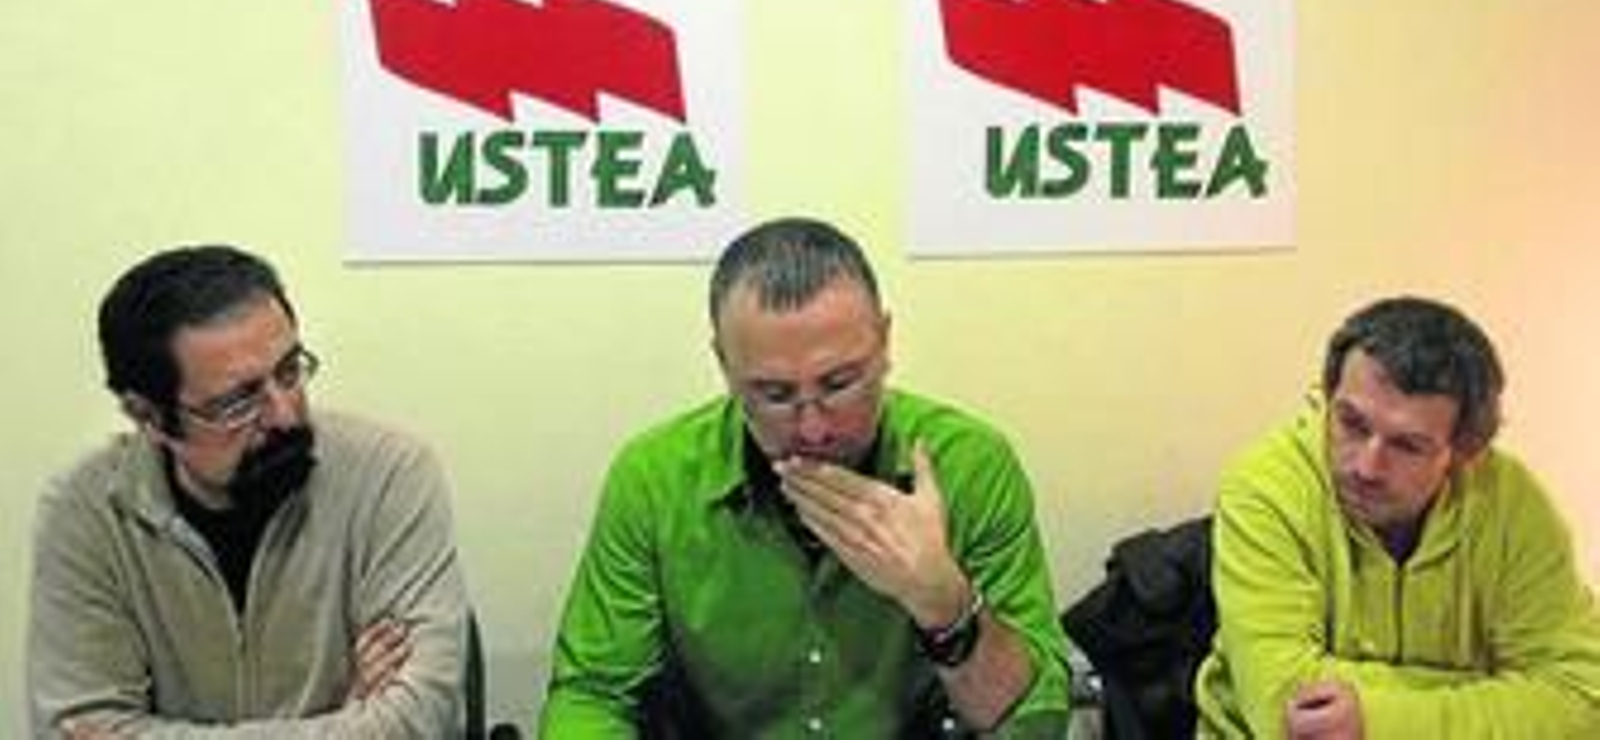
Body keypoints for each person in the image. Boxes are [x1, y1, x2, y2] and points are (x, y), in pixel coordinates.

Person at [540, 216, 1072, 737]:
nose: (814, 428)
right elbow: (594, 693)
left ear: (884, 343)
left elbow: (1036, 719)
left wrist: (944, 604)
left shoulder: (968, 466)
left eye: (840, 383)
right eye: (774, 395)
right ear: (724, 365)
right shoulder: (655, 479)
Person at [28, 245, 469, 737]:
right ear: (148, 416)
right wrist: (349, 721)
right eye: (238, 402)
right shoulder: (87, 511)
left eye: (289, 372)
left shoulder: (389, 476)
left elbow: (419, 720)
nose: (284, 414)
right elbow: (74, 725)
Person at [1195, 295, 1600, 738]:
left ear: (1464, 455)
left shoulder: (1514, 505)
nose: (1366, 467)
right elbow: (1287, 713)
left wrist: (1375, 720)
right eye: (1351, 423)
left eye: (1407, 445)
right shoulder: (1265, 488)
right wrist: (1500, 693)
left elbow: (1581, 696)